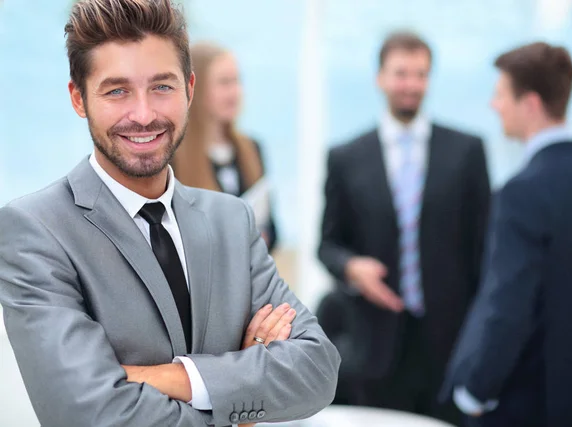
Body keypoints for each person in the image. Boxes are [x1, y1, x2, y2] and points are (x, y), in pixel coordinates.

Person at [0, 1, 340, 426]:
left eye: (162, 87)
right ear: (78, 98)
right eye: (117, 90)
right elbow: (87, 412)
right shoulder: (36, 229)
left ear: (189, 90)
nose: (143, 115)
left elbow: (318, 369)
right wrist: (239, 395)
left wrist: (174, 379)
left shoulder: (231, 221)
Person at [317, 31, 490, 424]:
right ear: (380, 78)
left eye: (420, 74)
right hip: (375, 346)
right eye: (401, 73)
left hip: (451, 344)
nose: (410, 84)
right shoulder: (346, 157)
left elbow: (484, 252)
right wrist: (351, 268)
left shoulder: (467, 151)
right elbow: (327, 244)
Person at [441, 42, 572, 427]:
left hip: (517, 399)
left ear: (529, 103)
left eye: (500, 95)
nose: (495, 106)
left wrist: (476, 389)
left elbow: (508, 305)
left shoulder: (521, 191)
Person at [172, 42, 278, 252]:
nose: (235, 92)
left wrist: (259, 238)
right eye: (224, 83)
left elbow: (273, 230)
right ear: (195, 88)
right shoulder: (173, 158)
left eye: (237, 81)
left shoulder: (252, 148)